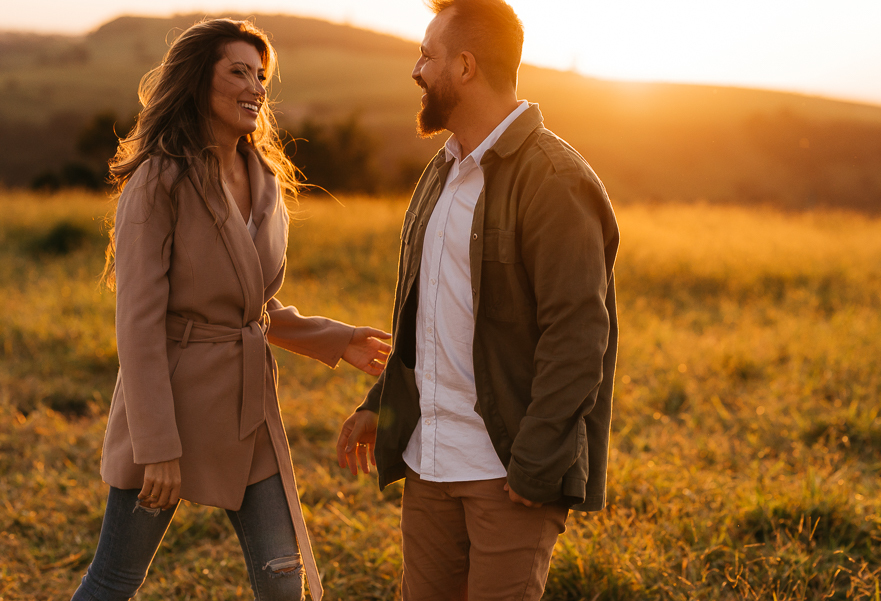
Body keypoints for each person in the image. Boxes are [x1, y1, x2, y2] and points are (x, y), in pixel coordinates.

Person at [72, 18, 390, 601]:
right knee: (115, 579)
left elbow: (249, 305)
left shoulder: (264, 178)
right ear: (199, 81)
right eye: (239, 72)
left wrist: (336, 338)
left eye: (261, 75)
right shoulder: (158, 180)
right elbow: (138, 325)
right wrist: (157, 447)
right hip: (170, 406)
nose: (256, 88)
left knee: (283, 581)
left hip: (249, 408)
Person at [336, 0, 619, 597]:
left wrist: (535, 464)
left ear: (465, 67)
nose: (416, 70)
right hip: (428, 462)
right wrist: (381, 403)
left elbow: (577, 338)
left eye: (427, 56)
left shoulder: (554, 180)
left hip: (507, 473)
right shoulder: (441, 173)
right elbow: (427, 316)